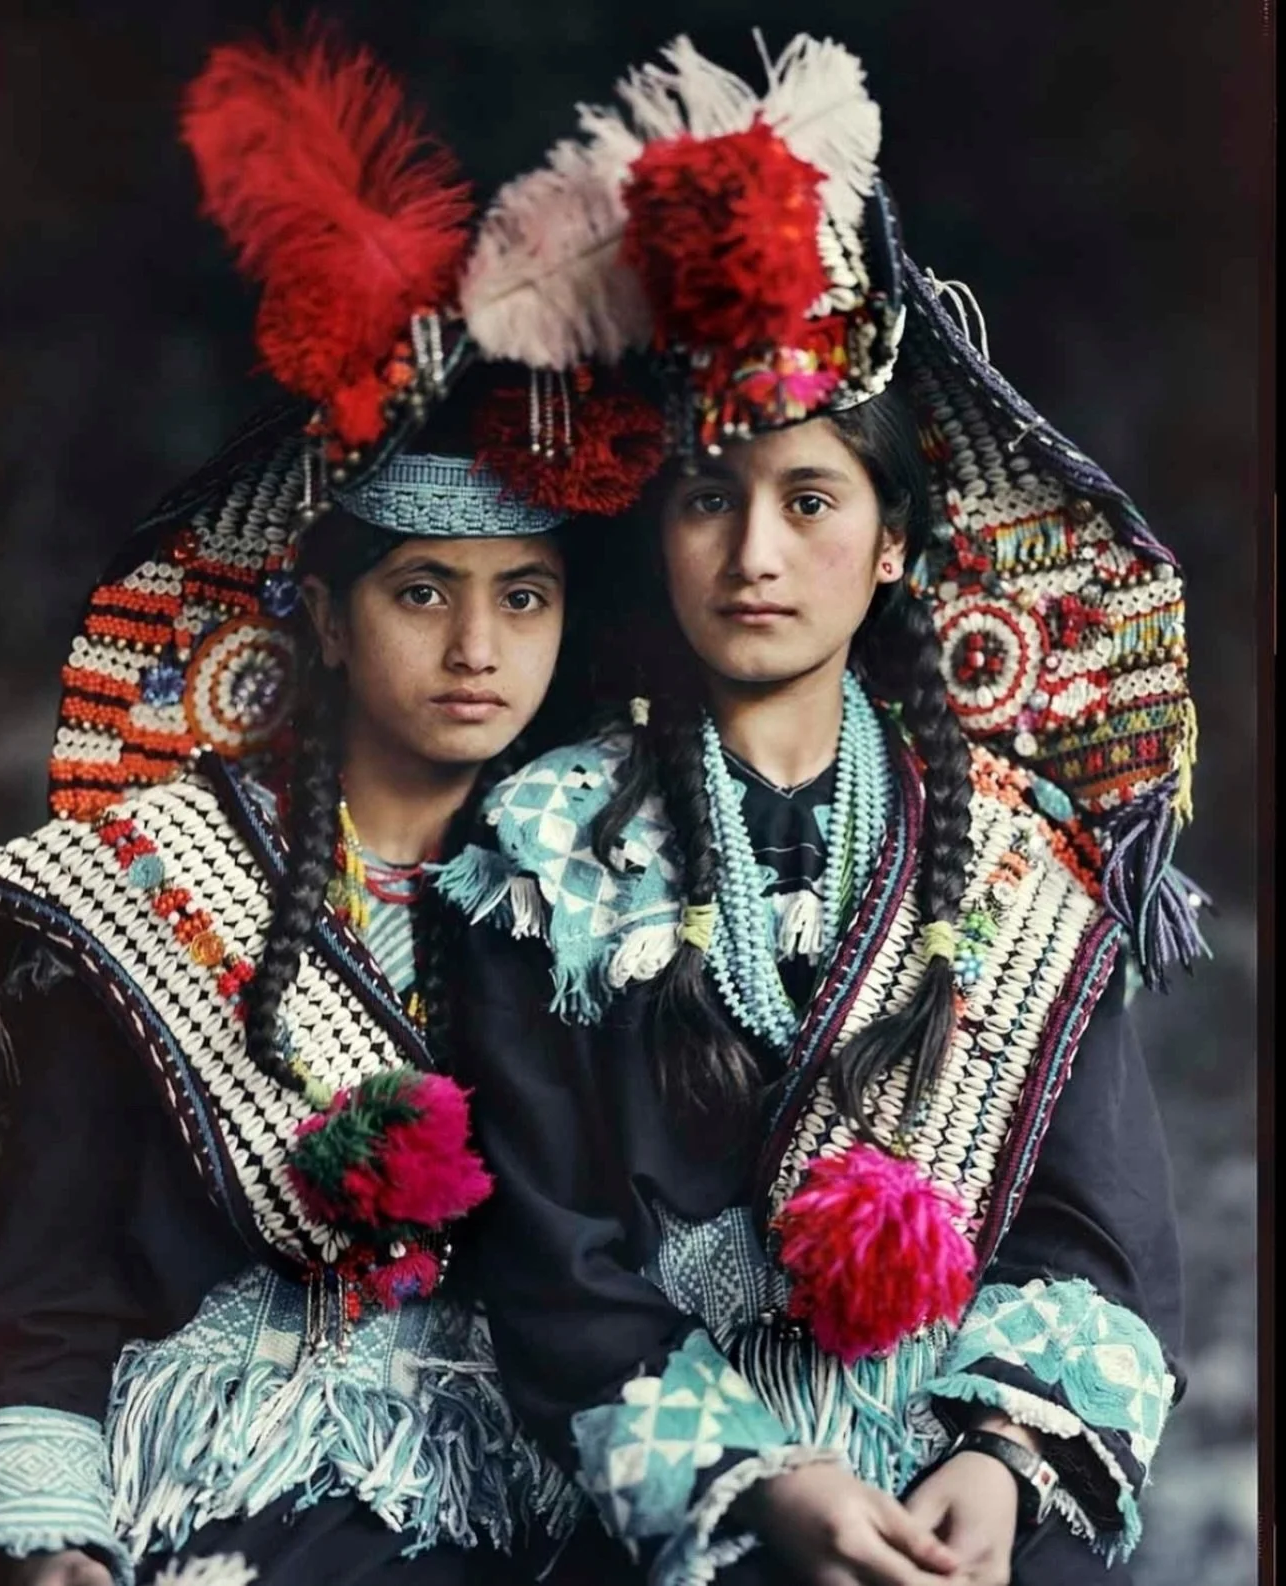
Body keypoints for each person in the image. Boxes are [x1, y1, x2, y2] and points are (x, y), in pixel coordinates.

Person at [438, 32, 1206, 1586]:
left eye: (808, 501)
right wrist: (766, 1488)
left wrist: (997, 1464)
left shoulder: (1020, 857)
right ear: (659, 535)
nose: (754, 556)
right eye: (708, 500)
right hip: (680, 1480)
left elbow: (1094, 1230)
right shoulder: (548, 852)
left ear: (894, 542)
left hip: (958, 1461)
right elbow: (551, 1256)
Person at [0, 23, 663, 1586]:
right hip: (231, 1502)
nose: (476, 649)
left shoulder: (623, 897)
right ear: (329, 621)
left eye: (523, 596)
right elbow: (49, 1290)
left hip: (563, 1506)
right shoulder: (157, 888)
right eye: (421, 592)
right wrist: (53, 1543)